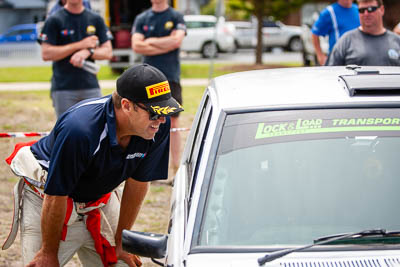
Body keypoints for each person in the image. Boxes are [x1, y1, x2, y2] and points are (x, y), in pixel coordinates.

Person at [3, 64, 183, 266]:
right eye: (154, 112)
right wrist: (48, 252)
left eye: (165, 111)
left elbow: (138, 182)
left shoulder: (157, 127)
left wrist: (121, 244)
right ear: (126, 105)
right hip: (47, 197)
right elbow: (57, 194)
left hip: (98, 199)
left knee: (122, 262)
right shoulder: (81, 129)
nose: (161, 119)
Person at [131, 0, 186, 171]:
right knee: (147, 121)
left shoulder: (175, 16)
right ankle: (149, 168)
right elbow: (136, 45)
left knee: (173, 123)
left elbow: (177, 41)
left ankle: (176, 168)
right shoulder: (142, 18)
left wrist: (151, 41)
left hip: (170, 77)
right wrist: (165, 44)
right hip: (148, 79)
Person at [39, 0, 113, 118]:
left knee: (94, 129)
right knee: (66, 130)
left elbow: (108, 52)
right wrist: (80, 45)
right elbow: (46, 53)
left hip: (91, 86)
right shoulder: (54, 20)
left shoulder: (95, 19)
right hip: (63, 88)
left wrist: (88, 51)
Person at [326, 0, 400, 66]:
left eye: (370, 9)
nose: (366, 13)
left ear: (382, 10)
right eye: (361, 10)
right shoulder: (346, 41)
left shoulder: (397, 41)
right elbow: (330, 74)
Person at [311, 0, 360, 65]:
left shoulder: (359, 10)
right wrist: (320, 56)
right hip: (338, 60)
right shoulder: (330, 12)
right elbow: (315, 33)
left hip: (358, 58)